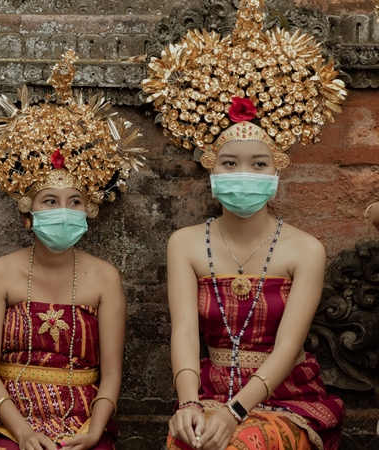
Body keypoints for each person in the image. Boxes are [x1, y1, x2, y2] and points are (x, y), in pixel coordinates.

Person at [141, 1, 348, 449]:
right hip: (207, 393)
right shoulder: (185, 244)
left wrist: (235, 412)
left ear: (277, 170)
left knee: (242, 443)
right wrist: (188, 404)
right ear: (211, 168)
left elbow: (288, 346)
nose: (244, 175)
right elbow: (184, 332)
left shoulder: (306, 250)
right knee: (184, 442)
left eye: (258, 164)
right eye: (230, 163)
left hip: (284, 398)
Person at [0, 51, 148, 450]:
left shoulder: (105, 279)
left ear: (89, 209)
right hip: (12, 423)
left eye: (74, 201)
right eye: (50, 201)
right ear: (27, 210)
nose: (63, 211)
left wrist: (95, 430)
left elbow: (111, 374)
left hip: (85, 420)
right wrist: (22, 431)